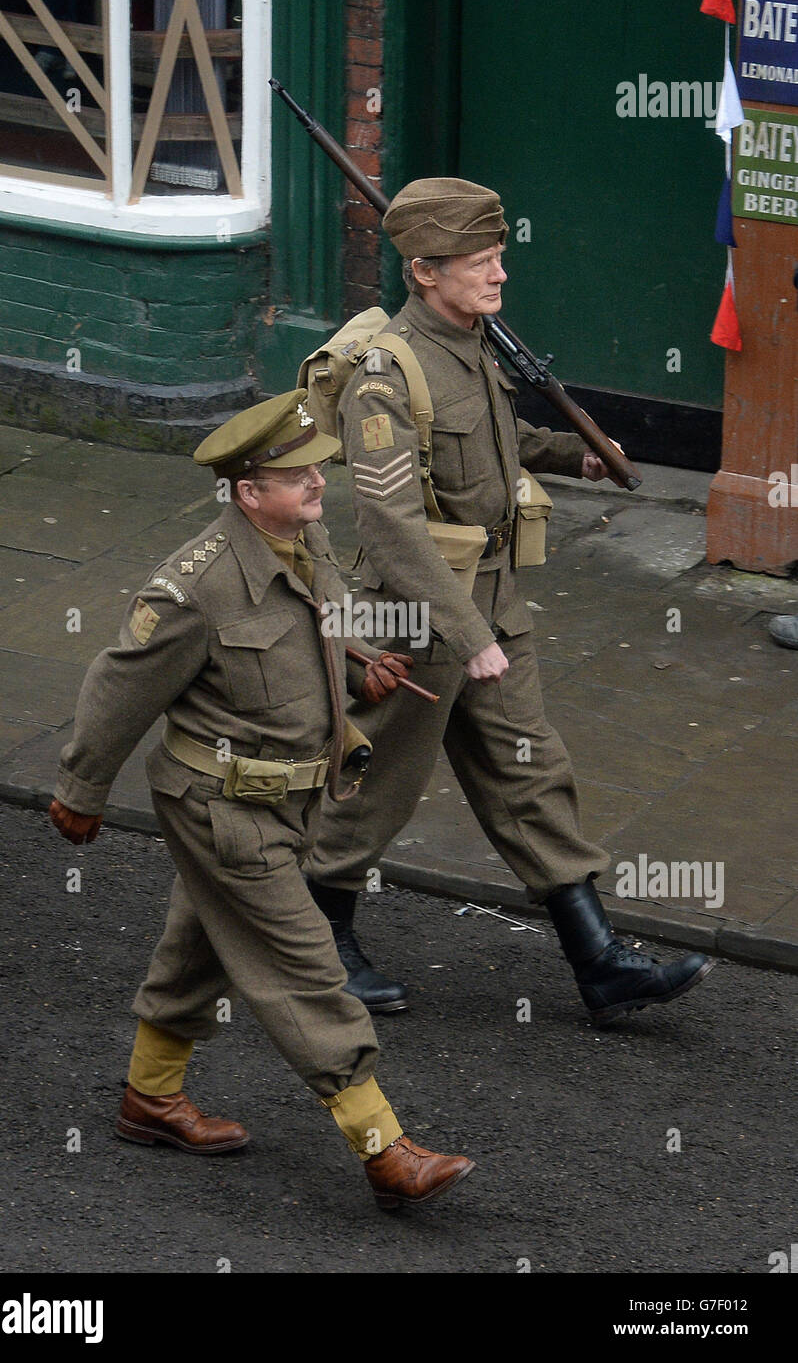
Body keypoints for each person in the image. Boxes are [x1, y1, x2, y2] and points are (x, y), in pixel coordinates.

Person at [48, 389, 475, 1211]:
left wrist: (357, 667)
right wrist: (81, 787)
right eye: (299, 476)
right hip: (220, 802)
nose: (320, 487)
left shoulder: (303, 541)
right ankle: (385, 1149)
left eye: (319, 471)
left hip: (289, 798)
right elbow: (118, 686)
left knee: (201, 945)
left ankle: (150, 1099)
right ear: (249, 493)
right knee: (304, 966)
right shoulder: (196, 587)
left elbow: (317, 626)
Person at [305, 178, 716, 1025]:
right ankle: (317, 951)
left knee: (531, 772)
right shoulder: (387, 375)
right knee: (372, 783)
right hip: (410, 618)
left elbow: (498, 441)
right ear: (423, 271)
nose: (499, 277)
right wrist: (463, 635)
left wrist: (576, 455)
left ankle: (599, 963)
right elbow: (388, 523)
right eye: (480, 264)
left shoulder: (474, 345)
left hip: (492, 600)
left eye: (499, 260)